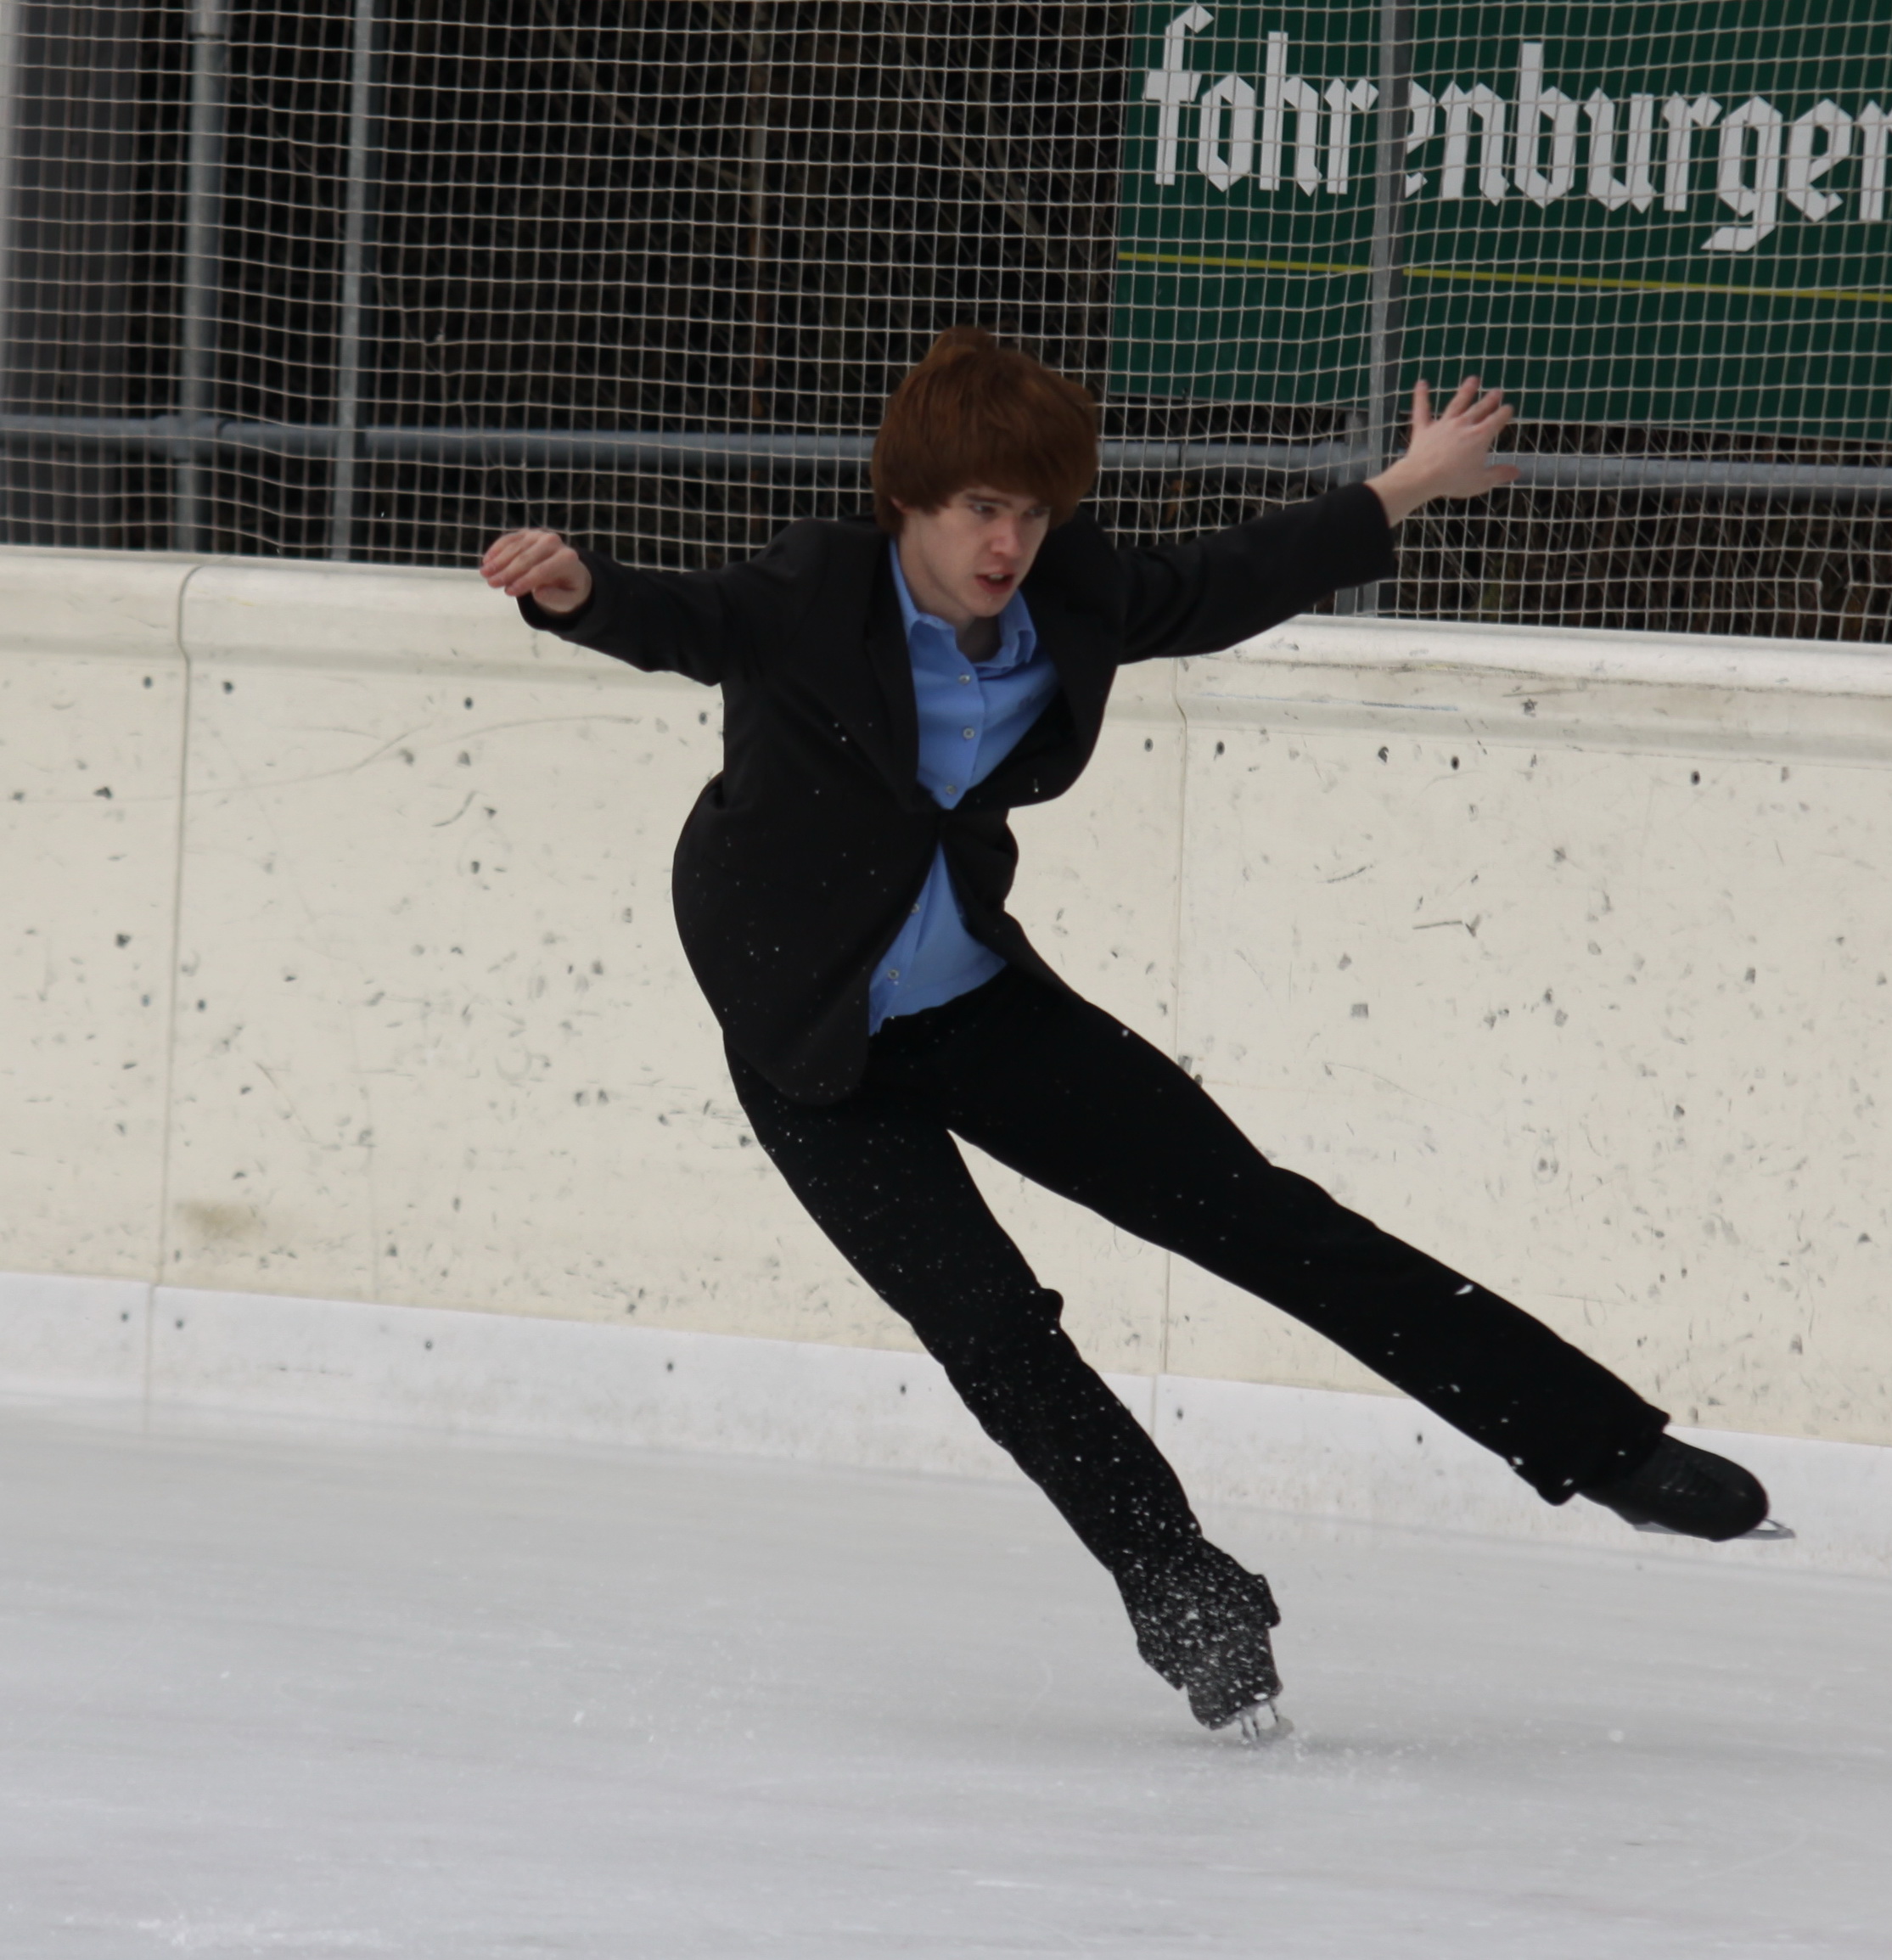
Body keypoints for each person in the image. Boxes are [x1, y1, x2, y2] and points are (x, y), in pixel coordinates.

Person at [480, 327, 1775, 1741]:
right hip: (807, 1040)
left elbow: (1228, 579)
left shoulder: (1072, 594)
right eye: (981, 507)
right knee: (994, 1330)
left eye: (1034, 513)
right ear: (907, 499)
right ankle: (1180, 1589)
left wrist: (1405, 483)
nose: (1009, 543)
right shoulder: (813, 592)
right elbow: (684, 619)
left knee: (1264, 1218)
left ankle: (1609, 1449)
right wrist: (577, 589)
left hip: (975, 1001)